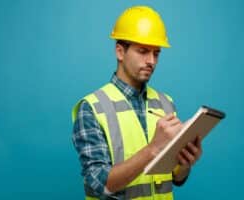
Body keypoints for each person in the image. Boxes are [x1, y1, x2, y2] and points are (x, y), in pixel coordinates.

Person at [72, 5, 203, 200]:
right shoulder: (92, 108)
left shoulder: (166, 103)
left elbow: (176, 178)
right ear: (120, 52)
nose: (151, 61)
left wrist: (185, 164)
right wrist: (153, 149)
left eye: (156, 53)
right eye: (143, 51)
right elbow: (99, 183)